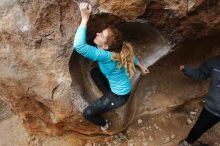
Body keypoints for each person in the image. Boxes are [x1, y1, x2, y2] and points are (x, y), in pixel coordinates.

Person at [73, 2, 149, 131]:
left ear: (105, 47)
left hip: (119, 97)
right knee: (94, 72)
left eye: (101, 35)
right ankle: (106, 96)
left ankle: (105, 124)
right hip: (120, 87)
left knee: (88, 113)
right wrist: (141, 66)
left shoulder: (105, 56)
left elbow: (79, 46)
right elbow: (131, 56)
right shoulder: (120, 48)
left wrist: (85, 18)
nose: (97, 34)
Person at [178, 56, 220, 146]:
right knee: (198, 128)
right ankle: (187, 143)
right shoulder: (214, 62)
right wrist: (187, 70)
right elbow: (201, 73)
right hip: (213, 108)